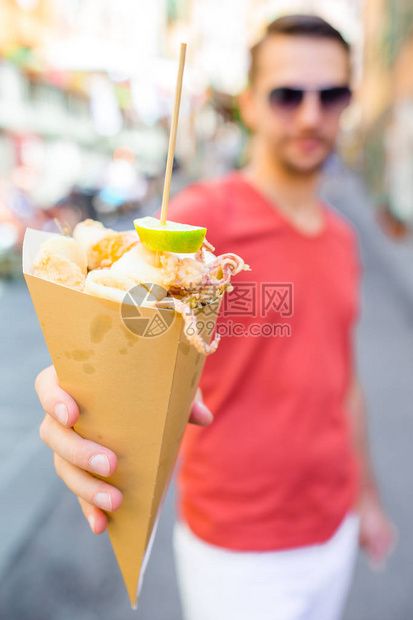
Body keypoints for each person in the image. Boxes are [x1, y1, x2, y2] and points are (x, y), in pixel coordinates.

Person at [36, 15, 396, 620]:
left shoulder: (343, 238)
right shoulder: (195, 227)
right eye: (288, 95)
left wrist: (367, 497)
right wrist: (74, 399)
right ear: (251, 104)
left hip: (332, 528)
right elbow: (124, 323)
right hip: (236, 552)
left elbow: (343, 379)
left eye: (331, 95)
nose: (311, 116)